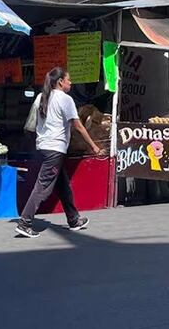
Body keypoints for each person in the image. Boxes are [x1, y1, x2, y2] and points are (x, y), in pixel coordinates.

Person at [15, 67, 104, 239]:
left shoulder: (41, 97)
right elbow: (77, 125)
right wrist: (93, 146)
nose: (70, 83)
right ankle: (24, 222)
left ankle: (73, 219)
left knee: (62, 184)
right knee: (42, 188)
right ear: (61, 82)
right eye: (68, 80)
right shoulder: (65, 99)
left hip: (44, 147)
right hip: (55, 149)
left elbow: (32, 124)